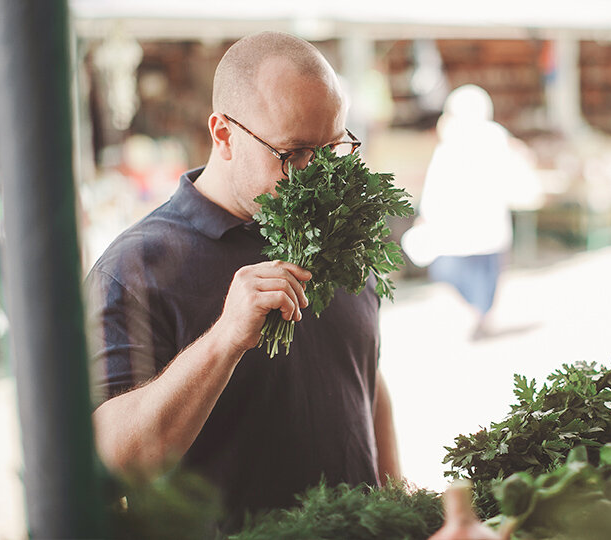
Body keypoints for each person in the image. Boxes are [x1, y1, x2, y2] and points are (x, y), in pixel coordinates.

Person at [85, 31, 401, 532]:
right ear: (223, 134)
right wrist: (224, 340)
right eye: (293, 152)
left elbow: (365, 377)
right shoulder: (134, 269)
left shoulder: (339, 231)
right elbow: (111, 465)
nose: (317, 178)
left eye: (332, 148)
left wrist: (398, 505)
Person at [401, 84, 542, 340]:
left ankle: (476, 319)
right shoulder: (496, 138)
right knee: (481, 279)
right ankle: (480, 318)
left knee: (460, 276)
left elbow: (437, 185)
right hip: (486, 229)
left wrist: (427, 214)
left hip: (461, 229)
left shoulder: (456, 139)